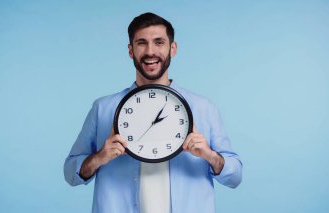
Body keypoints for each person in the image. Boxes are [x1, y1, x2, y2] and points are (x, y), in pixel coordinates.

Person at [64, 12, 242, 213]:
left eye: (159, 42)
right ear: (131, 51)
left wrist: (210, 155)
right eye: (141, 43)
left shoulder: (203, 108)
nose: (150, 51)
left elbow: (235, 177)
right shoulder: (103, 109)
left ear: (172, 49)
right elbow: (70, 173)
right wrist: (99, 158)